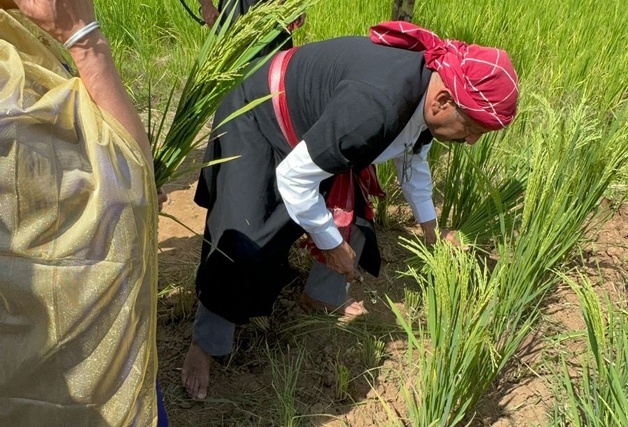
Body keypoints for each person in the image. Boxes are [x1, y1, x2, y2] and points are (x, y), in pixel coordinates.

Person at [181, 21, 519, 399]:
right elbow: (295, 177)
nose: (471, 141)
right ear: (443, 101)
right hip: (258, 113)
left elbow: (412, 160)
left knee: (352, 218)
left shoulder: (428, 89)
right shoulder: (375, 106)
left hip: (317, 128)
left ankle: (320, 297)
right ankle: (204, 344)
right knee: (243, 238)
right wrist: (330, 243)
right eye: (472, 128)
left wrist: (432, 231)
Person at [0, 0, 166, 425]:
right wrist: (83, 37)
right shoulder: (12, 81)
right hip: (74, 375)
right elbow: (129, 183)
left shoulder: (19, 38)